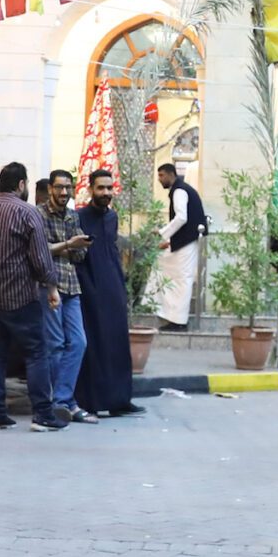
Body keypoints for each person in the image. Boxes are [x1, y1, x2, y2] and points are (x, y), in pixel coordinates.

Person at [0, 161, 63, 431]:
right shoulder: (28, 213)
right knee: (36, 353)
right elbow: (41, 259)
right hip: (19, 298)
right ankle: (42, 415)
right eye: (27, 184)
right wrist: (51, 288)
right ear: (21, 185)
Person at [73, 168, 142, 417]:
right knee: (94, 345)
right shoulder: (78, 217)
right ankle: (91, 401)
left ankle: (120, 400)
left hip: (112, 287)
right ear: (91, 189)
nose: (106, 193)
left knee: (117, 343)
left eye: (109, 188)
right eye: (101, 188)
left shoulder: (112, 217)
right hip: (89, 288)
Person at [41, 170, 94, 422]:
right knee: (55, 344)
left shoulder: (73, 215)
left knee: (79, 342)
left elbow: (79, 255)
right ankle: (65, 403)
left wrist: (73, 247)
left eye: (68, 188)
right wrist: (68, 246)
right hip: (48, 285)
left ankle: (62, 400)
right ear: (50, 188)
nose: (64, 193)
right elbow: (40, 252)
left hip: (72, 286)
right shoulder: (39, 214)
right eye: (60, 188)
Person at [153, 162, 208, 328]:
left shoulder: (179, 190)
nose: (159, 179)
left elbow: (182, 218)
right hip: (185, 241)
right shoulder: (181, 189)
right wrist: (169, 241)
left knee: (180, 279)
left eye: (162, 175)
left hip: (187, 243)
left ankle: (178, 320)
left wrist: (163, 233)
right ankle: (170, 315)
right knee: (167, 271)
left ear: (171, 174)